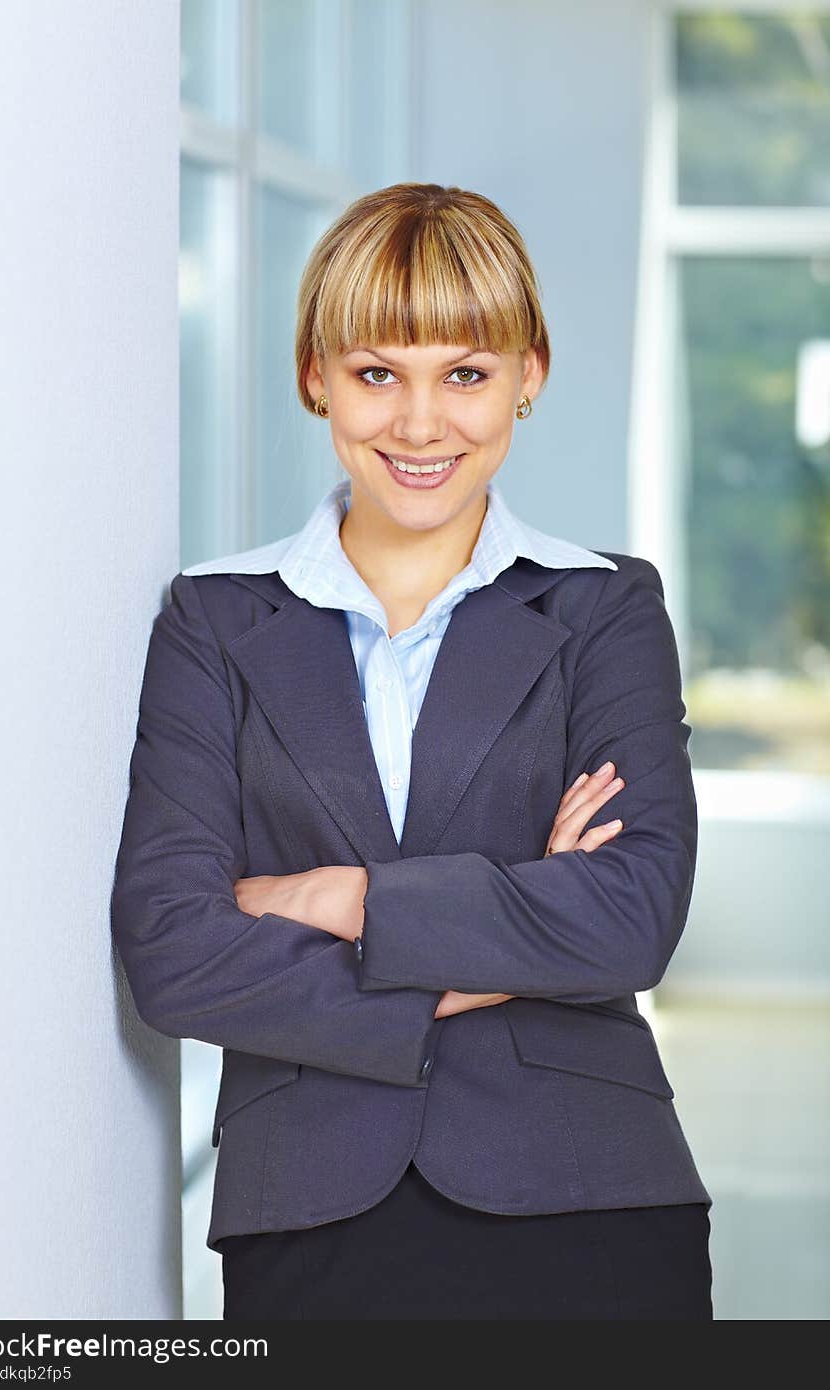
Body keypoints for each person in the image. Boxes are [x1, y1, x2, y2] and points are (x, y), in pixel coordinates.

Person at [110, 182, 713, 1320]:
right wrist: (519, 924)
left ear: (528, 376)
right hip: (307, 1202)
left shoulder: (603, 609)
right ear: (314, 376)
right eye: (377, 373)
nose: (421, 424)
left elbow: (633, 914)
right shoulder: (214, 622)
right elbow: (173, 949)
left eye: (466, 374)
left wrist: (322, 893)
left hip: (590, 1194)